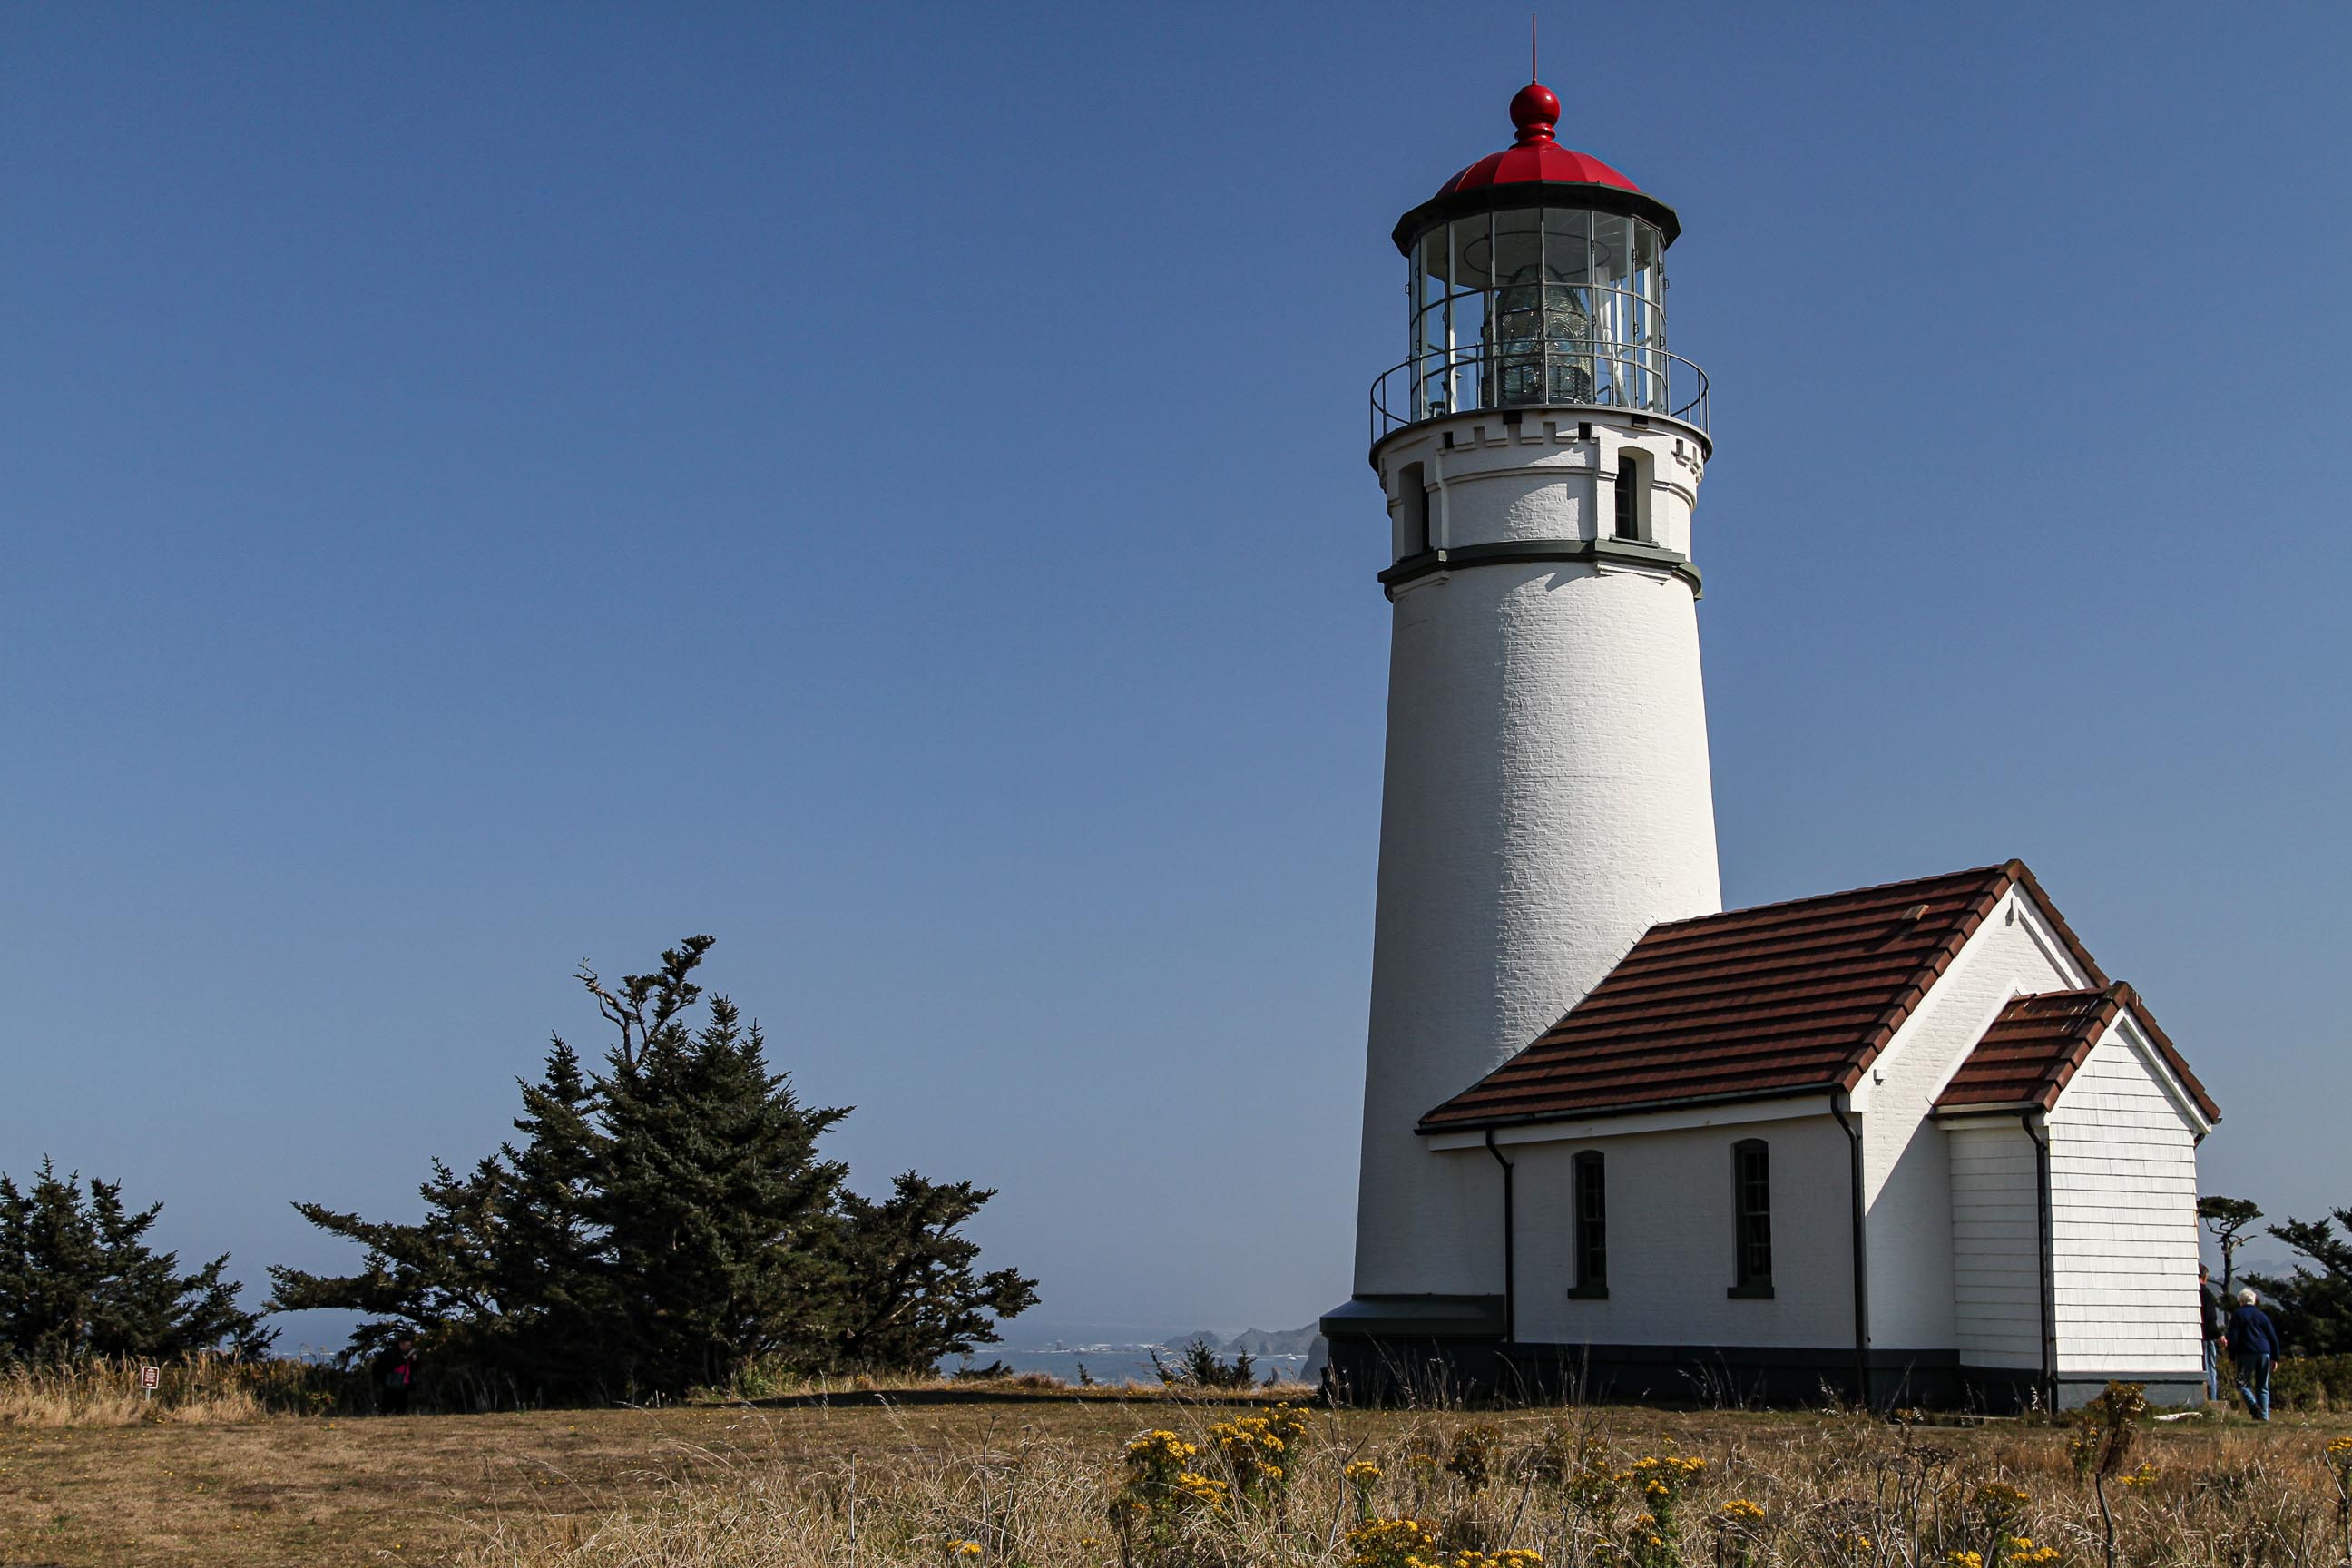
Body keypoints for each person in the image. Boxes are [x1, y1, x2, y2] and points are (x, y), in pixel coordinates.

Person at [2225, 1287, 2281, 1422]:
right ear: (2254, 1301)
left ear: (2241, 1301)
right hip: (2264, 1351)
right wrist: (2275, 1357)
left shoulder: (2238, 1315)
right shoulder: (2262, 1315)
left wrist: (2231, 1355)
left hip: (2245, 1352)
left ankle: (2253, 1405)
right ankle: (2264, 1416)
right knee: (2263, 1386)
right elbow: (2272, 1337)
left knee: (2242, 1383)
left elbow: (2233, 1337)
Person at [2199, 1264, 2228, 1401]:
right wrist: (2218, 1334)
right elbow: (2210, 1318)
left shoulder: (2191, 1292)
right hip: (2207, 1337)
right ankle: (2212, 1398)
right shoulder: (2207, 1294)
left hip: (2195, 1336)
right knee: (2210, 1368)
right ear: (2204, 1277)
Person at [377, 1336, 419, 1416]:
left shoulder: (409, 1354)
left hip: (404, 1383)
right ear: (401, 1344)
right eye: (407, 1346)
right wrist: (405, 1358)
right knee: (387, 1404)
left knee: (402, 1406)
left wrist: (414, 1360)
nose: (409, 1348)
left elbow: (414, 1368)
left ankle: (400, 1415)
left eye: (410, 1346)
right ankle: (385, 1414)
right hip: (391, 1383)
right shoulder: (390, 1352)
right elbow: (387, 1365)